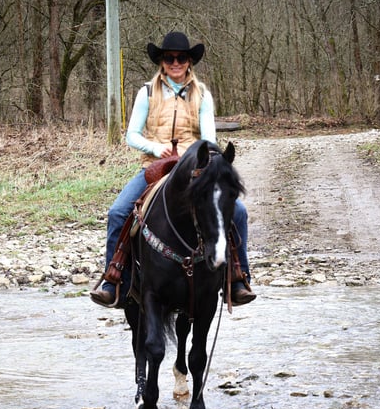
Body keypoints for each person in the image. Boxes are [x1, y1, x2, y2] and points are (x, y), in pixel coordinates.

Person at [90, 31, 256, 308]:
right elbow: (132, 135)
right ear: (162, 62)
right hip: (155, 167)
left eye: (181, 58)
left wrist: (196, 156)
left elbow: (208, 139)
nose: (175, 63)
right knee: (118, 212)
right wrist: (157, 149)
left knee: (238, 211)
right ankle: (115, 278)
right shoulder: (146, 92)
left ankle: (237, 278)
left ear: (190, 61)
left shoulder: (202, 95)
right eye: (169, 58)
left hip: (194, 169)